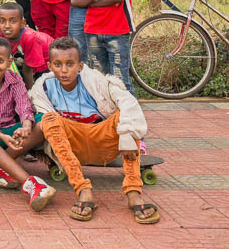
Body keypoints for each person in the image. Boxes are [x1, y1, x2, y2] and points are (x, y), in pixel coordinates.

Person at [33, 37, 158, 224]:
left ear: (80, 66)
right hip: (72, 148)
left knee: (126, 120)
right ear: (50, 66)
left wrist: (126, 136)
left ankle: (134, 193)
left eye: (70, 64)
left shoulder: (96, 81)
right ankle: (83, 190)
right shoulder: (43, 87)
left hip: (104, 143)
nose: (64, 70)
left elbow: (128, 103)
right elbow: (38, 119)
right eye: (58, 64)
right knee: (48, 119)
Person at [0, 37, 56, 210]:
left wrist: (26, 126)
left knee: (44, 120)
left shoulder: (15, 79)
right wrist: (1, 136)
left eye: (0, 60)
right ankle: (30, 183)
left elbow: (24, 107)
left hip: (11, 137)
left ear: (9, 61)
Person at [0, 1, 53, 88]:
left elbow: (28, 70)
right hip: (23, 63)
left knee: (41, 89)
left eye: (13, 21)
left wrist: (28, 92)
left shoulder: (30, 38)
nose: (7, 26)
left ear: (22, 23)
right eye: (2, 21)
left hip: (45, 65)